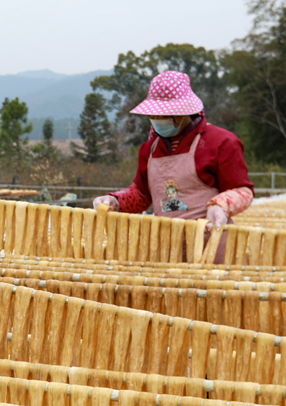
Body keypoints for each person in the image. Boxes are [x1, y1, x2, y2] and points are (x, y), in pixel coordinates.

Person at [92, 71, 254, 262]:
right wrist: (115, 201)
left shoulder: (220, 142)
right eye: (154, 114)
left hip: (213, 246)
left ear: (185, 111)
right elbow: (142, 195)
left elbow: (244, 191)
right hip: (167, 249)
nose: (158, 117)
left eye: (165, 113)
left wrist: (221, 205)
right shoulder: (149, 149)